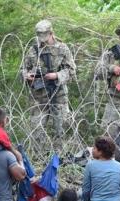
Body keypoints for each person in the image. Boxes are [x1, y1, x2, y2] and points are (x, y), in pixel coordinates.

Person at [22, 20, 76, 151]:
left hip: (58, 94)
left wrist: (57, 75)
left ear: (51, 33)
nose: (43, 40)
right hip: (39, 96)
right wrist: (26, 75)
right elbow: (23, 68)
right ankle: (40, 156)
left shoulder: (62, 48)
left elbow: (72, 70)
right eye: (40, 36)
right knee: (37, 128)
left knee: (60, 127)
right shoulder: (33, 50)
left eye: (45, 36)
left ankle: (60, 156)